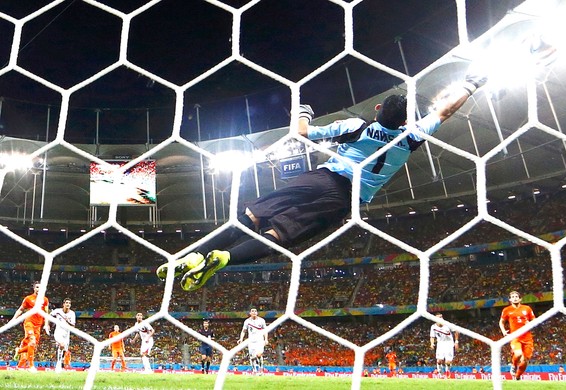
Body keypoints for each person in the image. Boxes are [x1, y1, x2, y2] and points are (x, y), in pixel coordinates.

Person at [156, 72, 487, 291]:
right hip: (344, 198)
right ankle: (226, 259)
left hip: (320, 178)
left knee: (253, 215)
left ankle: (193, 254)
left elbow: (301, 132)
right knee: (279, 235)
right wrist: (470, 84)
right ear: (404, 120)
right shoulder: (412, 136)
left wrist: (304, 111)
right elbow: (443, 111)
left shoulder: (356, 126)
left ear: (376, 109)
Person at [12, 281, 50, 372]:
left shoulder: (45, 300)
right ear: (34, 288)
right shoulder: (28, 298)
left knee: (32, 345)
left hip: (38, 325)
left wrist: (46, 324)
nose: (38, 289)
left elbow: (46, 313)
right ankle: (31, 366)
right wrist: (13, 319)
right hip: (29, 322)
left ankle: (19, 351)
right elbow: (20, 309)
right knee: (32, 341)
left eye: (40, 287)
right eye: (37, 287)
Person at [499, 290, 536, 380]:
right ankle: (513, 365)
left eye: (516, 297)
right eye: (513, 297)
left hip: (527, 338)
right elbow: (501, 322)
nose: (515, 298)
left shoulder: (527, 308)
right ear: (510, 299)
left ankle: (518, 376)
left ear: (520, 299)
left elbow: (534, 320)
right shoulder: (506, 310)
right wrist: (503, 331)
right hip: (515, 336)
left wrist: (530, 323)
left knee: (525, 360)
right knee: (518, 354)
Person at [238, 308, 268, 375]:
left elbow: (265, 331)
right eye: (252, 311)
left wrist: (266, 339)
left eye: (255, 311)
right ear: (250, 313)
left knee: (259, 355)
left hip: (259, 340)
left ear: (257, 313)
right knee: (252, 357)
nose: (254, 312)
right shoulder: (247, 321)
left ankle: (261, 369)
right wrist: (241, 339)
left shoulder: (261, 320)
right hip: (251, 341)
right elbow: (243, 331)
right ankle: (254, 370)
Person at [49, 298, 76, 372]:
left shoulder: (72, 313)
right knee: (62, 345)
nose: (68, 304)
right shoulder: (58, 311)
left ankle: (61, 360)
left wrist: (68, 321)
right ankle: (58, 364)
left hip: (66, 334)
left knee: (65, 350)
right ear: (63, 304)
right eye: (66, 303)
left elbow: (73, 325)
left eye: (69, 303)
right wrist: (48, 325)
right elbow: (49, 315)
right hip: (58, 332)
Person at [430, 313, 459, 378]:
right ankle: (440, 373)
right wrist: (432, 343)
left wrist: (456, 342)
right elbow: (432, 336)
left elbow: (456, 331)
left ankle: (447, 371)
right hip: (440, 344)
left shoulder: (448, 324)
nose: (440, 319)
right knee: (439, 361)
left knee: (448, 362)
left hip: (449, 343)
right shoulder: (433, 327)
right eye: (438, 317)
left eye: (441, 317)